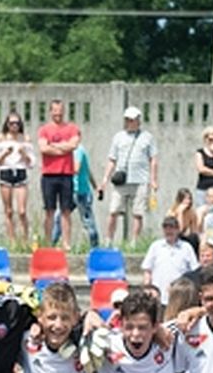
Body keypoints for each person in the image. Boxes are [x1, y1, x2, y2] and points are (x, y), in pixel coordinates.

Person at [102, 106, 159, 246]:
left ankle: (134, 241)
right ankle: (108, 240)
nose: (129, 122)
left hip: (140, 179)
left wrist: (153, 179)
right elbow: (112, 159)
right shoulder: (118, 137)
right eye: (127, 119)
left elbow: (153, 159)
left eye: (132, 120)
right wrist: (105, 179)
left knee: (138, 212)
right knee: (113, 210)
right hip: (121, 180)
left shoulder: (148, 137)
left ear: (138, 120)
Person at [37, 99, 82, 249]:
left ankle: (66, 243)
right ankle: (48, 243)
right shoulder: (44, 130)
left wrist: (54, 146)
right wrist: (63, 148)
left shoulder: (72, 128)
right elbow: (43, 148)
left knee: (66, 211)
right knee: (49, 210)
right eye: (55, 110)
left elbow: (73, 145)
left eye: (60, 110)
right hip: (49, 174)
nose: (58, 113)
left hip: (66, 174)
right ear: (50, 112)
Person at [0, 111, 35, 250]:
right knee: (9, 211)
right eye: (11, 123)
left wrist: (24, 153)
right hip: (5, 172)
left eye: (17, 123)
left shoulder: (25, 139)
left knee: (22, 211)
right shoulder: (1, 139)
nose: (14, 126)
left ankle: (24, 240)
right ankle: (12, 241)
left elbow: (32, 162)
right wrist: (5, 153)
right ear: (7, 124)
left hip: (20, 172)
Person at [143, 216, 198, 302]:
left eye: (171, 228)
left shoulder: (186, 247)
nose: (168, 231)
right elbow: (147, 270)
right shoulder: (155, 246)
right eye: (166, 228)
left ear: (177, 229)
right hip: (158, 296)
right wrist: (147, 288)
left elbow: (194, 271)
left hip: (180, 296)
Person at [70, 141, 101, 249]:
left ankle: (95, 247)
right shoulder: (71, 151)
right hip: (71, 190)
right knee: (59, 219)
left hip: (81, 192)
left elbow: (76, 169)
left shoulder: (79, 150)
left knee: (88, 221)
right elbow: (88, 171)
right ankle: (51, 245)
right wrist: (96, 186)